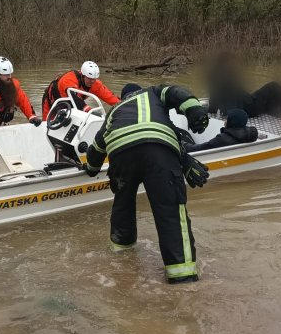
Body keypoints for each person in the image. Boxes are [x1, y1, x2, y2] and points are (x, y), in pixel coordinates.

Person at [84, 83, 211, 284]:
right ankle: (183, 277)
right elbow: (175, 92)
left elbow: (96, 151)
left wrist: (90, 168)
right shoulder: (152, 92)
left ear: (123, 97)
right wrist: (194, 110)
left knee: (122, 208)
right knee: (170, 212)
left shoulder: (113, 112)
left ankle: (122, 258)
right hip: (157, 151)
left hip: (120, 157)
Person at [206, 51, 281, 117]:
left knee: (275, 90)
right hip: (249, 108)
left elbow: (214, 102)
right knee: (273, 87)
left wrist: (210, 111)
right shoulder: (226, 80)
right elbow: (227, 105)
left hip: (248, 104)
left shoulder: (217, 79)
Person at [41, 61, 120, 120]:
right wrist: (89, 111)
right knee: (46, 124)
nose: (92, 82)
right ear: (83, 76)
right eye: (89, 79)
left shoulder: (95, 84)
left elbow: (109, 96)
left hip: (72, 104)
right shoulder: (69, 79)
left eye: (94, 79)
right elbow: (74, 96)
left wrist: (123, 105)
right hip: (52, 101)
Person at [186, 108, 258, 152]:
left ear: (233, 122)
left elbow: (200, 148)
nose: (225, 121)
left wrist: (183, 145)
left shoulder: (222, 139)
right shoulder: (251, 135)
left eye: (227, 119)